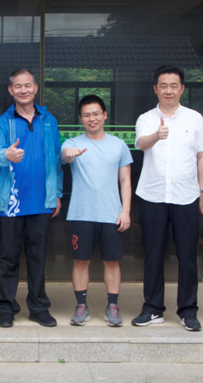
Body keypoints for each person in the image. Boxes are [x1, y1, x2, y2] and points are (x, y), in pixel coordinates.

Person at [131, 65, 203, 332]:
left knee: (187, 256)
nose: (168, 90)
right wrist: (157, 135)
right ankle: (153, 308)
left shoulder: (194, 118)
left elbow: (202, 156)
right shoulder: (146, 118)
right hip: (153, 195)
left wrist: (202, 191)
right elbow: (141, 144)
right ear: (155, 89)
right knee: (153, 255)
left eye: (173, 85)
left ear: (182, 89)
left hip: (186, 195)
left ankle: (188, 311)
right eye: (163, 85)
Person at [0, 68, 63, 328]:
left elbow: (56, 160)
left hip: (41, 201)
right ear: (11, 90)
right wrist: (5, 155)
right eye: (18, 86)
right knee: (8, 258)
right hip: (12, 202)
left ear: (36, 88)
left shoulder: (49, 120)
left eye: (27, 85)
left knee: (38, 258)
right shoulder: (1, 122)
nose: (23, 90)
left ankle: (39, 307)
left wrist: (57, 194)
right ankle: (7, 307)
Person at [61, 95, 132, 327]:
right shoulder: (71, 143)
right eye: (86, 115)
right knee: (81, 261)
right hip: (81, 214)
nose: (92, 119)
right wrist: (69, 155)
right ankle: (81, 305)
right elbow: (65, 156)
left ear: (104, 115)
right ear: (80, 118)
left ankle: (113, 306)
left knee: (112, 261)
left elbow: (125, 180)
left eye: (96, 114)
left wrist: (126, 211)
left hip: (111, 214)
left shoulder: (118, 145)